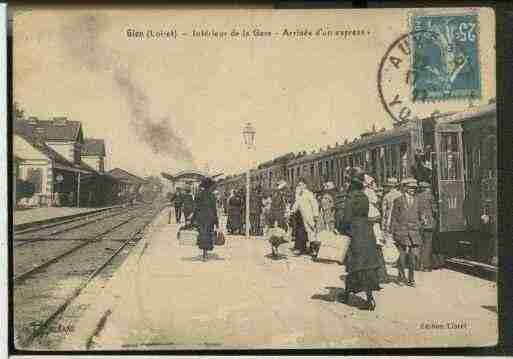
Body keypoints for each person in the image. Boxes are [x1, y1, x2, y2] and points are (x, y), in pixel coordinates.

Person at [340, 169, 381, 311]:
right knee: (366, 266)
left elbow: (346, 218)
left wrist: (342, 229)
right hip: (367, 232)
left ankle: (347, 294)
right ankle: (369, 299)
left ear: (351, 184)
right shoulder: (364, 197)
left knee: (354, 265)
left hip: (356, 232)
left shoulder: (350, 197)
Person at [391, 178, 422, 287]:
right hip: (401, 231)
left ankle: (411, 279)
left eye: (414, 188)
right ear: (405, 188)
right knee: (402, 256)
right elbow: (393, 217)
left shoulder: (418, 200)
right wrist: (392, 232)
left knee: (413, 256)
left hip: (414, 232)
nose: (412, 190)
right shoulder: (398, 200)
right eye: (410, 188)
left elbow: (420, 215)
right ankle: (401, 277)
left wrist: (420, 224)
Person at [364, 175, 389, 284]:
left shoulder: (365, 193)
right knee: (377, 251)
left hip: (372, 226)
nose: (375, 185)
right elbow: (375, 201)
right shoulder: (369, 193)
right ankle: (380, 276)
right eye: (373, 183)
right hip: (373, 227)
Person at [192, 177, 219, 261]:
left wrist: (193, 218)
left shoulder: (199, 195)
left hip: (201, 217)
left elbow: (196, 207)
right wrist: (216, 222)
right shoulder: (212, 196)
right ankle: (205, 252)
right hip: (210, 217)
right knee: (208, 234)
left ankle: (204, 253)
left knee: (202, 233)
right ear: (210, 186)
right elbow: (214, 209)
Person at [291, 177, 319, 255]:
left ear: (305, 185)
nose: (300, 187)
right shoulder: (299, 195)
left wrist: (316, 214)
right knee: (303, 232)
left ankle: (314, 250)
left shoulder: (309, 193)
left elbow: (314, 204)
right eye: (299, 185)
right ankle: (302, 249)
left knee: (311, 233)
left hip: (309, 216)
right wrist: (292, 211)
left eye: (301, 185)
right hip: (302, 217)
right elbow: (296, 204)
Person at [311, 181, 336, 259]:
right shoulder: (327, 198)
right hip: (325, 221)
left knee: (321, 236)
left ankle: (319, 252)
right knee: (325, 235)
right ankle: (323, 253)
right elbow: (326, 212)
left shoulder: (325, 197)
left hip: (323, 220)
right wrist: (329, 222)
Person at [417, 181, 437, 271]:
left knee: (420, 245)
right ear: (426, 188)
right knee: (428, 245)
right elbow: (435, 210)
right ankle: (426, 265)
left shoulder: (416, 197)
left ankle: (419, 264)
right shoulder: (430, 196)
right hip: (428, 223)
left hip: (419, 223)